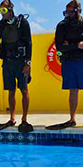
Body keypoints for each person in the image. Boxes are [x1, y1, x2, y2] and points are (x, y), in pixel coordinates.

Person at [0, 0, 33, 133]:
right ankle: (12, 118)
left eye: (4, 10)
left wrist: (28, 62)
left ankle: (24, 119)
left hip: (21, 61)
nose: (2, 13)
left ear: (11, 9)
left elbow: (29, 43)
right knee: (11, 91)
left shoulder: (22, 23)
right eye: (0, 11)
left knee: (24, 89)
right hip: (7, 62)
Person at [46, 0, 83, 130]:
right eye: (66, 12)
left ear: (78, 10)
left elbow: (65, 45)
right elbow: (60, 46)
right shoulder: (62, 25)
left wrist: (69, 45)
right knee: (73, 90)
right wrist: (77, 45)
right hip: (69, 61)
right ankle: (72, 118)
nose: (67, 14)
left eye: (70, 12)